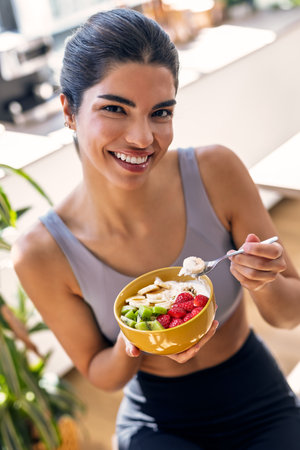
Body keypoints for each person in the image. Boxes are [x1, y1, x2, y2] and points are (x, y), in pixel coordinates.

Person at [12, 8, 300, 450]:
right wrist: (139, 339)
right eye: (114, 109)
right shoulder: (41, 252)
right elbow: (97, 372)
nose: (143, 138)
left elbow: (287, 312)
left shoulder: (216, 171)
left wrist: (262, 280)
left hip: (256, 393)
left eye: (160, 112)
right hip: (158, 422)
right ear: (69, 110)